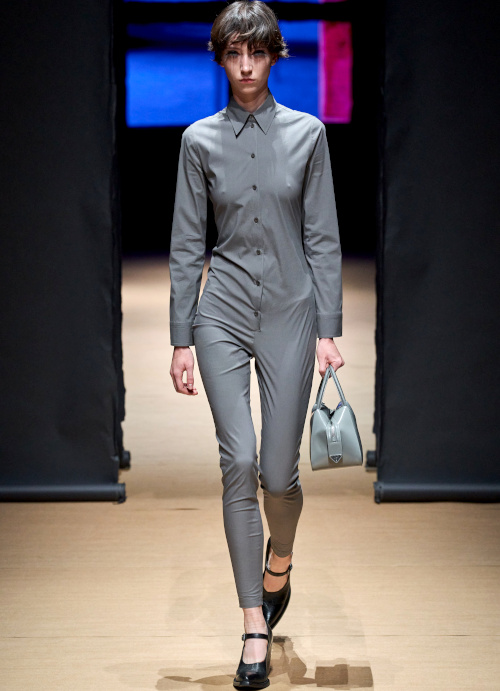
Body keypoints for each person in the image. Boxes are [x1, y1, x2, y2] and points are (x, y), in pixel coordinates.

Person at [169, 1, 344, 687]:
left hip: (292, 312)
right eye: (234, 53)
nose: (246, 66)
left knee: (279, 471)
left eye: (257, 52)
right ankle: (252, 623)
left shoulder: (309, 135)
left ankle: (280, 561)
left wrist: (328, 328)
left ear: (274, 56)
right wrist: (181, 337)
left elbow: (323, 237)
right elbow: (188, 243)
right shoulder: (197, 141)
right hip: (222, 311)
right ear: (220, 57)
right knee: (237, 460)